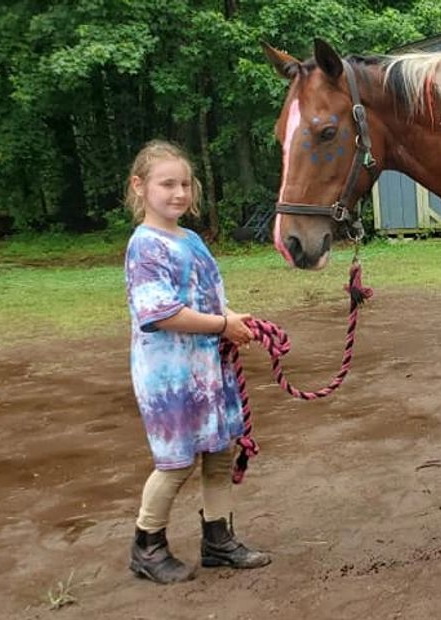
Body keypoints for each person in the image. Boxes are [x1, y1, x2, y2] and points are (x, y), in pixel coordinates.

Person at [123, 140, 271, 584]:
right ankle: (146, 545)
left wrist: (233, 322)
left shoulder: (190, 240)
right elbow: (160, 313)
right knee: (176, 461)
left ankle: (218, 539)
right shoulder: (145, 246)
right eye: (167, 184)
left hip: (208, 367)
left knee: (219, 452)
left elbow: (206, 300)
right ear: (139, 187)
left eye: (185, 183)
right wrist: (223, 325)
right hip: (169, 374)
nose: (179, 193)